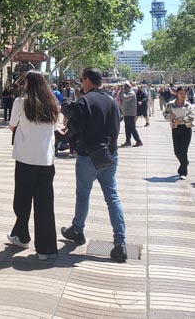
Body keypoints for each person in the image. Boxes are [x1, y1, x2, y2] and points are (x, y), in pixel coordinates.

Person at [61, 67, 127, 262]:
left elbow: (75, 127)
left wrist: (65, 135)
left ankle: (78, 230)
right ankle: (120, 243)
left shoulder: (84, 101)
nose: (81, 84)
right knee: (112, 197)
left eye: (82, 80)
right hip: (110, 155)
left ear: (88, 81)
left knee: (83, 194)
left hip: (88, 156)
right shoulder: (112, 102)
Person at [8, 71, 60, 261]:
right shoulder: (53, 102)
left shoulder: (20, 102)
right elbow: (56, 126)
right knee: (45, 205)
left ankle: (22, 236)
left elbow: (12, 126)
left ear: (28, 82)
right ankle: (46, 249)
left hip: (24, 158)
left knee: (21, 201)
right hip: (46, 160)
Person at [163, 87, 195, 179]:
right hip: (175, 128)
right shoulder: (170, 104)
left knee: (183, 150)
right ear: (177, 94)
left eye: (185, 93)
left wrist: (179, 120)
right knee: (177, 151)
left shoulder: (189, 106)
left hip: (186, 128)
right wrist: (170, 116)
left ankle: (183, 172)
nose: (183, 95)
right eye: (181, 93)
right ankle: (185, 162)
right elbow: (165, 115)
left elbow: (191, 117)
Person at [120, 81, 143, 147]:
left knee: (132, 128)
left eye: (124, 87)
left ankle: (138, 141)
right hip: (126, 112)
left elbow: (125, 98)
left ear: (127, 87)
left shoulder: (131, 93)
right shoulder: (127, 92)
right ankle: (128, 141)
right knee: (127, 127)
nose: (123, 89)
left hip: (130, 113)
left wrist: (122, 93)